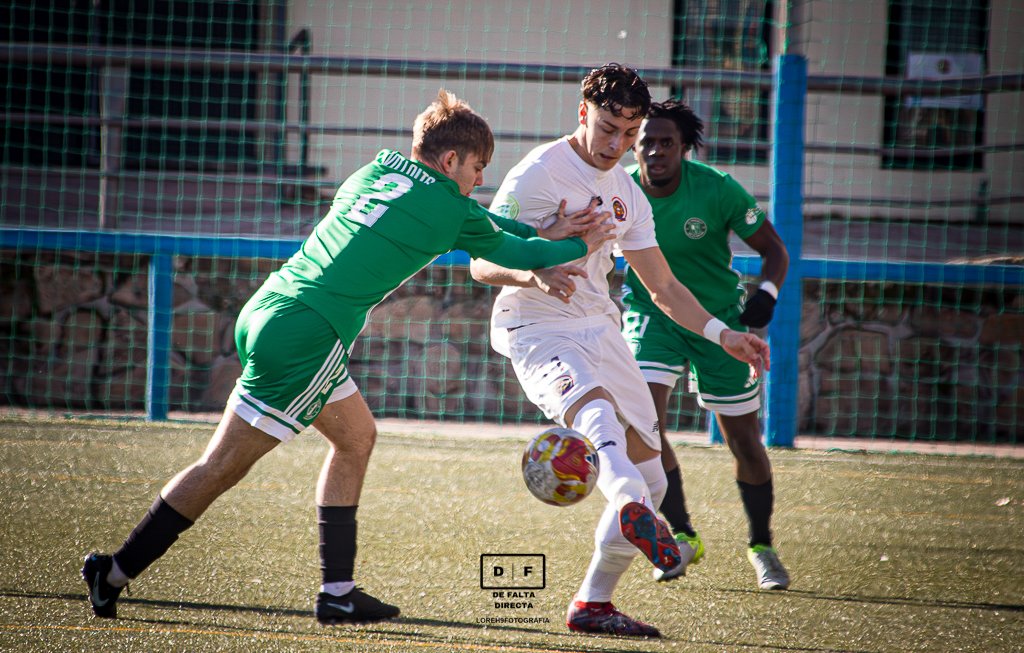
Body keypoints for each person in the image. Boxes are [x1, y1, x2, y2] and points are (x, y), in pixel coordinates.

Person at [81, 89, 614, 624]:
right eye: (477, 169)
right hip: (307, 334)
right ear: (451, 160)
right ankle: (114, 572)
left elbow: (490, 227)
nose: (479, 182)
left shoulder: (373, 173)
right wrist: (582, 242)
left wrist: (545, 234)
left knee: (356, 438)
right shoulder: (449, 211)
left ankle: (337, 592)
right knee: (221, 467)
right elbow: (518, 251)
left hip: (271, 308)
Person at [470, 64, 770, 638]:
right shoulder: (538, 174)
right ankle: (627, 498)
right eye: (608, 128)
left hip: (597, 325)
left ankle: (592, 604)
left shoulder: (628, 191)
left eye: (628, 134)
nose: (618, 145)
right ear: (583, 114)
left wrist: (722, 334)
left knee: (655, 477)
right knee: (599, 413)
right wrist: (537, 265)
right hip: (535, 325)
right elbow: (481, 263)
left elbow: (664, 287)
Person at [622, 99, 791, 590]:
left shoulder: (718, 190)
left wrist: (768, 293)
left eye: (665, 143)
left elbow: (774, 250)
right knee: (644, 427)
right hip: (650, 319)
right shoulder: (621, 190)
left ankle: (762, 545)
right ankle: (682, 535)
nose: (654, 151)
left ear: (684, 148)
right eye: (645, 143)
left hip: (720, 324)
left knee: (744, 442)